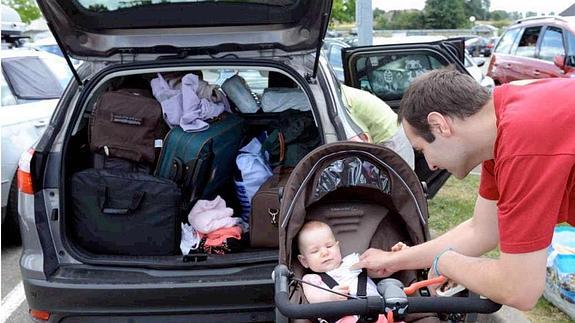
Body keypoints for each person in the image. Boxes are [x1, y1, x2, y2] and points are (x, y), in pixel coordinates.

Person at [351, 68, 575, 310]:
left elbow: (519, 289)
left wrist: (448, 263)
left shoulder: (522, 143)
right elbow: (482, 230)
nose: (430, 164)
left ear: (439, 125)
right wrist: (394, 260)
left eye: (422, 150)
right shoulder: (499, 124)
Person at [297, 221, 408, 323]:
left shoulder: (353, 262)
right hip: (345, 317)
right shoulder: (311, 278)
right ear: (304, 261)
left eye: (329, 246)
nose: (325, 253)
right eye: (315, 251)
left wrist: (395, 257)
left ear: (338, 246)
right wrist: (330, 297)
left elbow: (380, 271)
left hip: (378, 313)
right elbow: (313, 299)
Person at [341, 84, 415, 169]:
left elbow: (364, 140)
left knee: (401, 178)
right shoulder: (342, 92)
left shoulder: (340, 101)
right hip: (393, 132)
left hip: (391, 139)